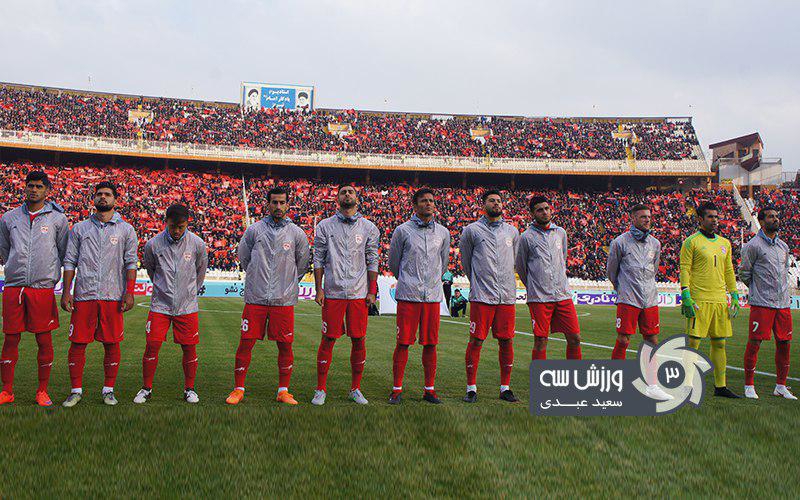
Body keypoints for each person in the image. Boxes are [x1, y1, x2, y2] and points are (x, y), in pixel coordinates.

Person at [226, 187, 310, 406]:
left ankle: (283, 390)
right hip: (256, 297)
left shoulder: (296, 234)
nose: (278, 207)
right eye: (274, 202)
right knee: (246, 343)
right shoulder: (254, 230)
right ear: (267, 204)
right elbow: (244, 259)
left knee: (285, 345)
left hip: (283, 300)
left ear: (288, 205)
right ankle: (238, 389)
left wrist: (287, 283)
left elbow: (301, 264)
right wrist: (257, 278)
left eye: (282, 202)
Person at [61, 181, 138, 407]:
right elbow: (69, 261)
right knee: (77, 343)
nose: (103, 197)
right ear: (93, 199)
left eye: (107, 194)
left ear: (116, 200)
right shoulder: (79, 229)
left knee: (112, 344)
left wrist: (130, 292)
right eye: (99, 194)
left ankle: (108, 390)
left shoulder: (126, 230)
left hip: (112, 295)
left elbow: (130, 263)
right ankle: (75, 390)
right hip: (84, 294)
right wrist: (67, 291)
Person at [0, 171, 68, 407]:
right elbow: (5, 249)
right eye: (30, 185)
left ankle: (42, 391)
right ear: (25, 188)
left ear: (47, 190)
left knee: (44, 340)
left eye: (39, 186)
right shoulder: (9, 218)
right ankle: (7, 391)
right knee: (10, 339)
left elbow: (63, 251)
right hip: (14, 286)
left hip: (42, 287)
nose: (34, 190)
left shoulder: (58, 219)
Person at [312, 185, 380, 406]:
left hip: (359, 293)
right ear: (338, 199)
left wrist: (372, 290)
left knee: (359, 339)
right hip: (333, 291)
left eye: (351, 192)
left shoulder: (369, 227)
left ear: (357, 198)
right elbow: (319, 258)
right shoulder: (324, 226)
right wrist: (319, 288)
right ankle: (320, 389)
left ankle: (355, 388)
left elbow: (372, 259)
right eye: (343, 192)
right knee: (328, 339)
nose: (347, 195)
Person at [133, 204, 208, 405]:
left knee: (189, 348)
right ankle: (146, 388)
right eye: (173, 226)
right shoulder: (153, 244)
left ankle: (189, 389)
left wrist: (189, 292)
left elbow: (200, 273)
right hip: (160, 306)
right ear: (166, 222)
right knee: (152, 345)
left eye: (181, 227)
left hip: (187, 306)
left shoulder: (198, 244)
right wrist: (164, 289)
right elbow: (151, 270)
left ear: (187, 224)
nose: (176, 231)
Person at [388, 188, 451, 404]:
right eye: (423, 201)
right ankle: (396, 389)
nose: (428, 204)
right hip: (408, 295)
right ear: (414, 206)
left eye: (431, 201)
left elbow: (443, 264)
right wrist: (408, 280)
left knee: (431, 344)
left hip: (432, 296)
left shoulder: (443, 233)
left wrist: (431, 281)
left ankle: (429, 390)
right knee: (403, 343)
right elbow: (394, 263)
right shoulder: (402, 231)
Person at [459, 189, 519, 403]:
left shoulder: (512, 232)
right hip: (482, 296)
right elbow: (466, 262)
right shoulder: (471, 230)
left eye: (499, 201)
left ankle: (505, 388)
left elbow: (515, 260)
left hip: (506, 296)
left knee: (506, 341)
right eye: (491, 201)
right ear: (483, 204)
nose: (496, 203)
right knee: (476, 340)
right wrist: (478, 281)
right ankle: (471, 388)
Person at [607, 204, 672, 400]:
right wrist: (623, 288)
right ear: (633, 218)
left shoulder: (655, 243)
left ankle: (652, 385)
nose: (647, 219)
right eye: (643, 216)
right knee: (623, 339)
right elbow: (612, 271)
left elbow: (654, 268)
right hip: (628, 298)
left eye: (649, 217)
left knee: (652, 339)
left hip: (650, 298)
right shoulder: (620, 242)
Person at [679, 201, 740, 398]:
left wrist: (734, 294)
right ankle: (687, 385)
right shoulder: (691, 242)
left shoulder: (725, 243)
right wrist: (686, 295)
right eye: (710, 216)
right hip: (699, 299)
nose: (715, 220)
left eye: (716, 216)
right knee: (694, 343)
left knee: (720, 343)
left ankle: (720, 387)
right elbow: (685, 268)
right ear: (700, 219)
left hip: (720, 300)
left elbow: (729, 270)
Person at [516, 196, 582, 360]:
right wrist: (535, 286)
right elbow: (521, 267)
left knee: (575, 338)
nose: (545, 212)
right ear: (532, 213)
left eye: (547, 208)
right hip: (540, 298)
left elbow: (563, 258)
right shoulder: (526, 237)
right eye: (540, 210)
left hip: (563, 295)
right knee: (540, 340)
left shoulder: (560, 233)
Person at [739, 206, 795, 400]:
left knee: (785, 343)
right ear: (762, 222)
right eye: (771, 217)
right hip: (762, 303)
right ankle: (749, 385)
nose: (776, 219)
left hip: (783, 303)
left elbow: (784, 271)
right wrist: (758, 290)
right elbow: (744, 273)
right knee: (754, 343)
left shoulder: (784, 247)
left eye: (777, 216)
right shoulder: (752, 246)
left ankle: (780, 386)